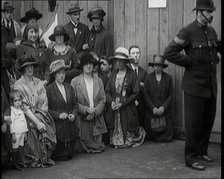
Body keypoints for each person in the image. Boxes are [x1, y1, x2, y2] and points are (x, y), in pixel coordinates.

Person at [163, 0, 221, 171]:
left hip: (210, 86)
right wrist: (189, 61)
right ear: (199, 12)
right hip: (194, 87)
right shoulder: (187, 31)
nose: (211, 15)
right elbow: (169, 52)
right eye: (208, 12)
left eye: (212, 11)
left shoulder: (211, 31)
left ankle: (202, 151)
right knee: (194, 124)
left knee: (207, 121)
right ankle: (190, 157)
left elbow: (214, 49)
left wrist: (217, 55)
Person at [14, 53, 56, 168]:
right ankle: (33, 156)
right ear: (23, 69)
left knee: (45, 127)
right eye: (27, 67)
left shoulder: (38, 82)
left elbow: (44, 102)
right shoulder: (18, 85)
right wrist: (36, 122)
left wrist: (40, 116)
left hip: (41, 115)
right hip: (25, 118)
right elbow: (23, 107)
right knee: (33, 127)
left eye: (31, 66)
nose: (30, 69)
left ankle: (44, 154)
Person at [105, 47, 145, 149]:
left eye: (122, 61)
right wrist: (112, 102)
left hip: (127, 106)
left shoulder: (131, 75)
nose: (119, 63)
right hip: (115, 107)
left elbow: (135, 93)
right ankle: (116, 140)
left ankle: (126, 139)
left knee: (128, 127)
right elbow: (107, 91)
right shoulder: (113, 74)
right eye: (118, 60)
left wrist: (123, 103)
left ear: (126, 62)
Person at [71, 51, 107, 153]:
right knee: (82, 147)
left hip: (96, 118)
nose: (88, 66)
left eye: (90, 64)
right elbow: (73, 102)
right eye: (86, 64)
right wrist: (87, 110)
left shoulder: (98, 81)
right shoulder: (75, 81)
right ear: (82, 66)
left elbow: (102, 99)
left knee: (98, 146)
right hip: (83, 119)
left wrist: (95, 111)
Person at [46, 59, 79, 161]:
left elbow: (75, 105)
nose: (62, 76)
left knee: (69, 154)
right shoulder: (49, 89)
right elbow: (47, 109)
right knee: (60, 155)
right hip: (57, 130)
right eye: (59, 73)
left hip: (70, 129)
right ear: (54, 75)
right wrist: (58, 115)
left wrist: (73, 114)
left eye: (63, 73)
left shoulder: (69, 87)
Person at [144, 55, 173, 142]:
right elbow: (145, 95)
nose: (157, 67)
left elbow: (170, 95)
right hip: (152, 113)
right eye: (156, 65)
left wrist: (163, 107)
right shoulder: (148, 78)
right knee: (152, 135)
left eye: (159, 65)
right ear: (153, 66)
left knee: (165, 135)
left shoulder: (168, 78)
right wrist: (153, 108)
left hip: (164, 113)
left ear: (162, 66)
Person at [9, 89, 28, 171]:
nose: (18, 102)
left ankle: (20, 161)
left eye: (19, 100)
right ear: (12, 102)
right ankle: (14, 163)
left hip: (22, 132)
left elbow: (24, 121)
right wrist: (13, 134)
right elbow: (11, 123)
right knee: (15, 148)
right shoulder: (12, 111)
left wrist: (25, 132)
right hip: (16, 133)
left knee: (21, 147)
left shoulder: (21, 110)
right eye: (16, 100)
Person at [128, 45, 147, 127]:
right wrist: (132, 100)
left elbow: (146, 90)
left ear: (140, 55)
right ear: (129, 56)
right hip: (128, 105)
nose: (135, 55)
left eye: (137, 53)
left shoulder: (143, 72)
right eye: (133, 53)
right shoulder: (126, 70)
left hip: (141, 107)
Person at [1, 85, 12, 169]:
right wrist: (3, 118)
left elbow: (7, 107)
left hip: (3, 124)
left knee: (5, 163)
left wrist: (4, 122)